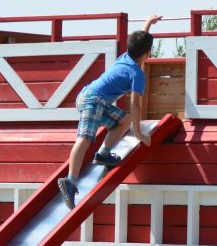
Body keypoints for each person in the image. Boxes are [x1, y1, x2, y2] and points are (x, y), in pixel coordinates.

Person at [57, 14, 162, 208]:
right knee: (85, 138)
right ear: (148, 54)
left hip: (95, 99)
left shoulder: (126, 57)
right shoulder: (137, 74)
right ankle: (70, 181)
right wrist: (138, 133)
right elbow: (135, 104)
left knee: (124, 121)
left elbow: (140, 39)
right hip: (92, 100)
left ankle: (103, 152)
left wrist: (148, 22)